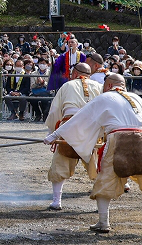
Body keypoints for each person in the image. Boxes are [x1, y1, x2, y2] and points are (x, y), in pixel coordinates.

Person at [45, 73, 142, 233]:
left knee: (105, 180)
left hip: (118, 139)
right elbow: (141, 122)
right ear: (123, 85)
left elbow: (79, 119)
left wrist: (53, 135)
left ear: (107, 86)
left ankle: (103, 222)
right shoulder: (137, 98)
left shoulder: (104, 98)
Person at [44, 62, 102, 210]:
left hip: (69, 128)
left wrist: (52, 133)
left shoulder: (67, 86)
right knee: (97, 166)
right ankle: (101, 205)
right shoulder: (98, 86)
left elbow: (55, 111)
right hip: (91, 130)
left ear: (75, 74)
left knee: (60, 164)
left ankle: (57, 201)